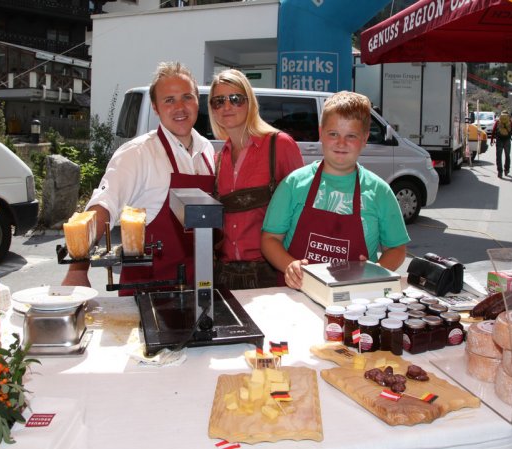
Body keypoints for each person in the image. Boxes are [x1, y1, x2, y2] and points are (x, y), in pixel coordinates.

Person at [62, 62, 215, 295]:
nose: (180, 107)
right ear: (155, 107)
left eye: (187, 97)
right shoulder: (137, 153)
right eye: (169, 100)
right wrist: (77, 269)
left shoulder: (207, 151)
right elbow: (103, 205)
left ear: (197, 101)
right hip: (147, 293)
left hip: (198, 287)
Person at [260, 91, 410, 289]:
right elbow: (269, 239)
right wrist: (290, 265)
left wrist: (374, 274)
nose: (341, 143)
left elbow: (397, 248)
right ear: (321, 133)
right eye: (333, 134)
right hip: (297, 296)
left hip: (355, 300)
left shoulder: (379, 191)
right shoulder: (294, 184)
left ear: (365, 139)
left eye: (351, 136)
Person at [208, 69, 304, 290]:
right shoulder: (218, 159)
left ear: (249, 102)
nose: (227, 107)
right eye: (218, 101)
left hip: (269, 273)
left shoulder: (279, 145)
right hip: (224, 274)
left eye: (235, 99)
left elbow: (303, 210)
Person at [490, 111, 512, 178]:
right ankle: (507, 170)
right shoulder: (510, 122)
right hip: (507, 140)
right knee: (507, 155)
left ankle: (500, 172)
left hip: (499, 140)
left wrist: (491, 140)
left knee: (499, 156)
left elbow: (493, 131)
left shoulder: (498, 122)